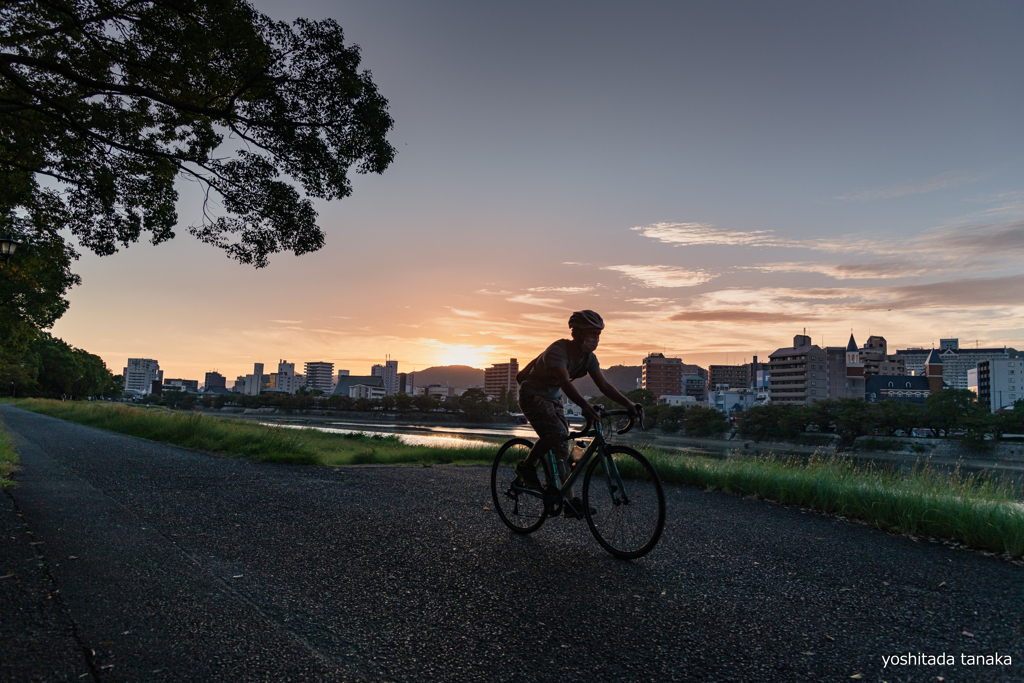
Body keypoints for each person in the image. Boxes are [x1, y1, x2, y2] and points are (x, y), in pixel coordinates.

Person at [514, 310, 642, 518]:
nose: (595, 339)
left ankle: (569, 502)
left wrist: (628, 404)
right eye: (591, 333)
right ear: (577, 333)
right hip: (532, 395)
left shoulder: (589, 359)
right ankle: (526, 467)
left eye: (598, 334)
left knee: (564, 447)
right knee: (555, 434)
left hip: (553, 397)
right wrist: (584, 405)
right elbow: (564, 381)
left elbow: (604, 385)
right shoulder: (559, 350)